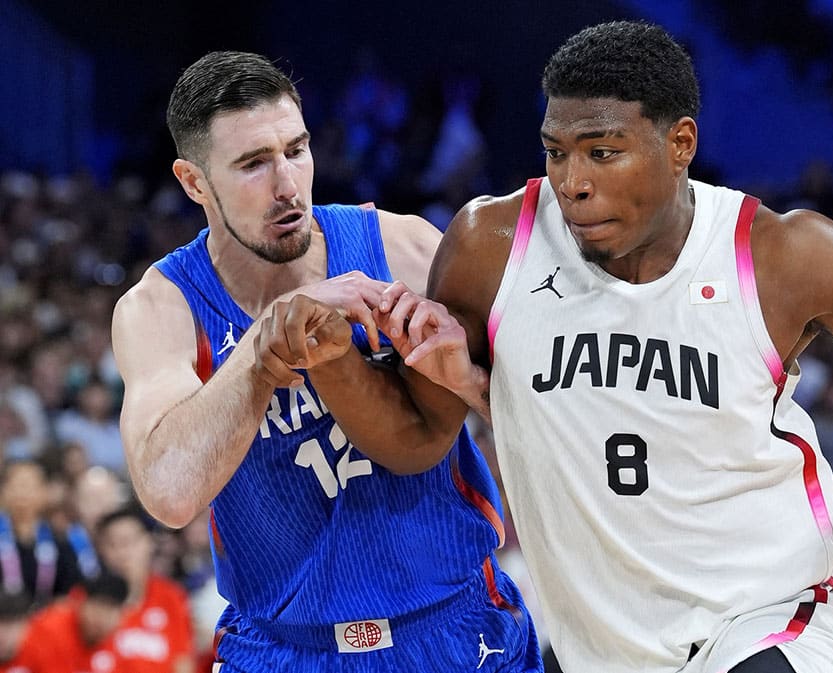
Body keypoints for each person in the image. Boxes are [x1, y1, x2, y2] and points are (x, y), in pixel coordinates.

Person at [359, 20, 833, 673]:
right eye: (556, 151)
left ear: (681, 144)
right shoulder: (489, 246)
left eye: (602, 152)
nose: (573, 182)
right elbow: (418, 436)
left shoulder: (787, 254)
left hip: (771, 622)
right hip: (603, 648)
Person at [109, 51, 537, 671]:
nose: (286, 184)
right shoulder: (162, 308)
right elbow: (170, 494)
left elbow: (547, 414)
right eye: (253, 163)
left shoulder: (403, 247)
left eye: (296, 150)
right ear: (194, 181)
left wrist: (468, 382)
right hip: (284, 648)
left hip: (454, 627)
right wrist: (262, 347)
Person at [93, 506, 194, 673]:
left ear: (148, 543)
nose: (122, 553)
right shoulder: (85, 599)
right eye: (112, 544)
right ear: (101, 551)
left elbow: (183, 663)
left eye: (128, 542)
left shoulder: (171, 598)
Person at [0, 460, 83, 608]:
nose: (22, 492)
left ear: (44, 493)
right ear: (4, 491)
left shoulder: (59, 542)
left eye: (29, 486)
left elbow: (70, 591)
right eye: (16, 485)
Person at [17, 572, 129, 673]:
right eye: (97, 607)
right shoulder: (51, 629)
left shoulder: (120, 642)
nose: (102, 618)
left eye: (110, 610)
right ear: (80, 603)